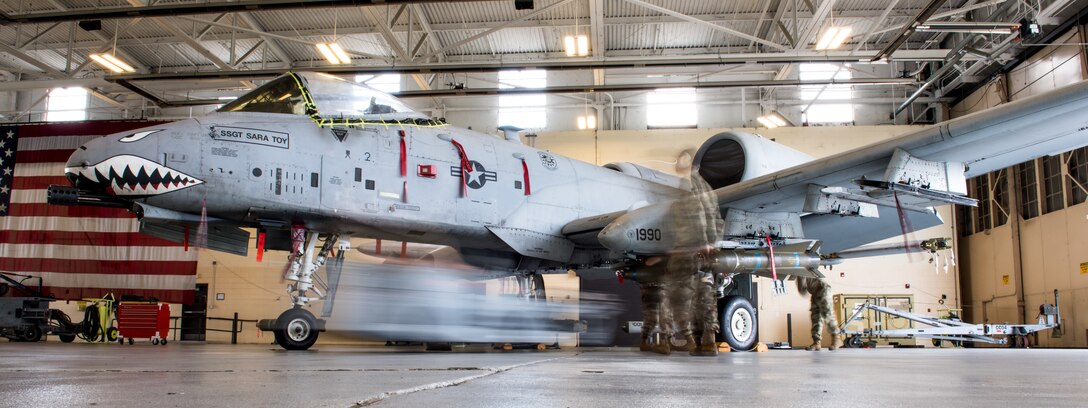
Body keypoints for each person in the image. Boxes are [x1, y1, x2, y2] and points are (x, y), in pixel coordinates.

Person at [637, 256, 673, 355]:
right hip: (653, 289)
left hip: (657, 289)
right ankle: (658, 342)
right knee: (654, 317)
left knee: (663, 316)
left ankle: (664, 342)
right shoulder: (664, 257)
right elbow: (648, 263)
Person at [797, 276, 842, 351]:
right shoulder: (801, 271)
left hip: (823, 289)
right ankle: (816, 343)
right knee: (816, 317)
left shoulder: (801, 270)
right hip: (815, 293)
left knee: (827, 314)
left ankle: (836, 338)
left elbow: (802, 291)